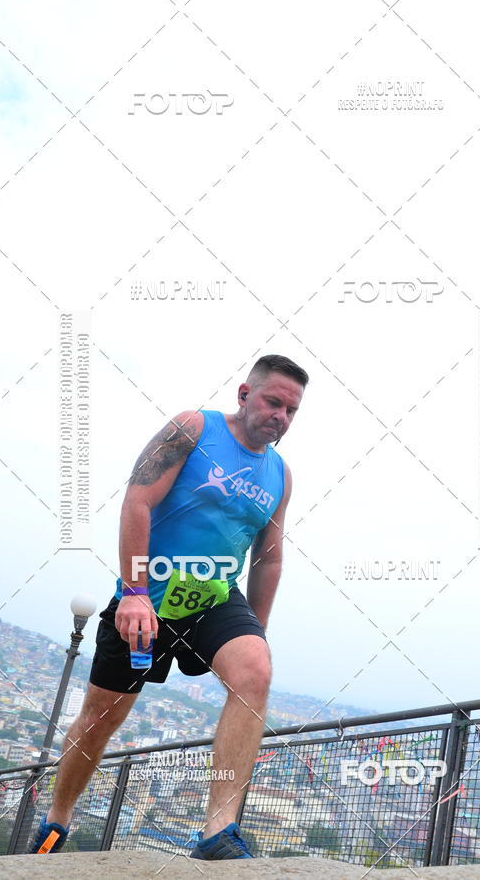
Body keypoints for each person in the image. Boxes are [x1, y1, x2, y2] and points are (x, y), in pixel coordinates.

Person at [30, 354, 308, 858]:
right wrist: (134, 594)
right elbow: (137, 501)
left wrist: (256, 632)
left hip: (213, 599)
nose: (281, 417)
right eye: (273, 402)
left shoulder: (280, 475)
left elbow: (268, 558)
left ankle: (217, 833)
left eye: (292, 411)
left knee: (255, 672)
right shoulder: (192, 428)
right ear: (245, 394)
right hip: (147, 596)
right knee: (100, 720)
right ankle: (57, 820)